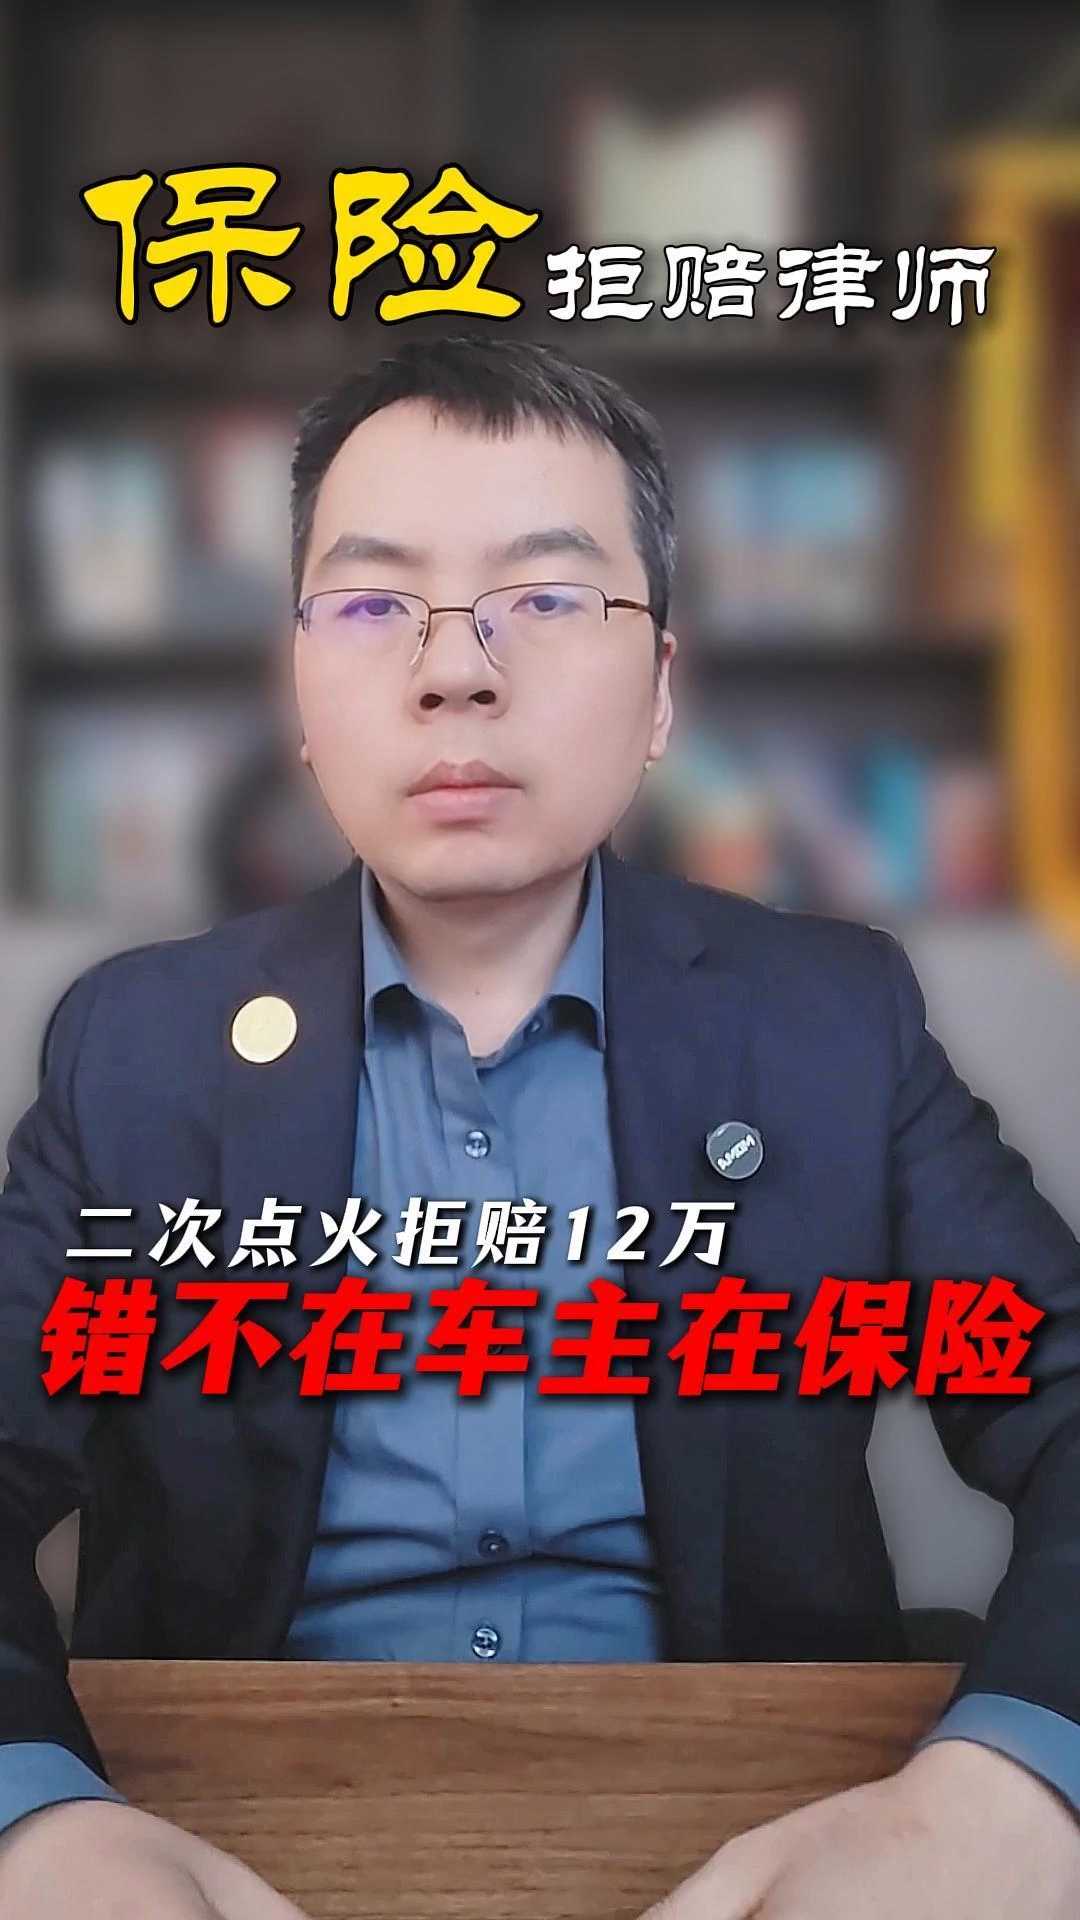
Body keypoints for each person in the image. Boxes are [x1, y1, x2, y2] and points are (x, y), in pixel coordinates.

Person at [1, 334, 1078, 1919]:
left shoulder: (829, 1023)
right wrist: (31, 1817)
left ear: (661, 691)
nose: (456, 671)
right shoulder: (137, 1050)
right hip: (226, 1835)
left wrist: (1015, 1781)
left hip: (752, 1838)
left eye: (548, 597)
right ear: (300, 689)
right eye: (375, 604)